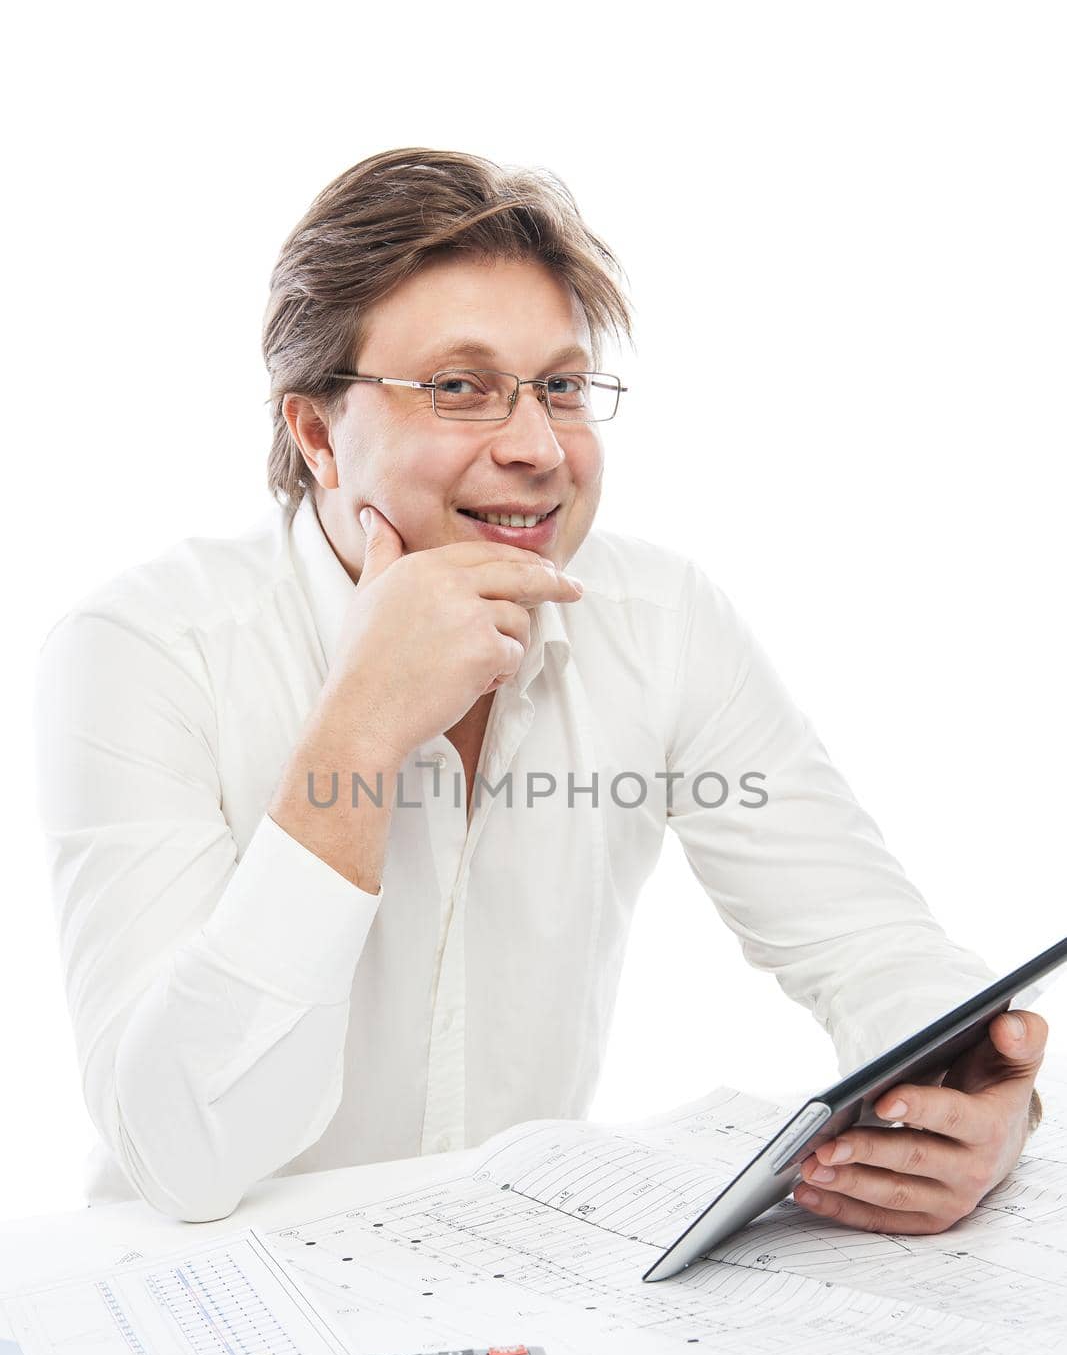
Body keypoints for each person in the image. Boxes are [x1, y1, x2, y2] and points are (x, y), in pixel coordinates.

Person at [34, 146, 1045, 1225]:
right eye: (458, 388)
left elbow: (866, 943)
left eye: (559, 387)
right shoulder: (144, 646)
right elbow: (181, 1153)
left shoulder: (660, 619)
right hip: (193, 1321)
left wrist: (970, 1104)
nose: (536, 449)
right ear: (317, 433)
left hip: (508, 1293)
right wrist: (361, 726)